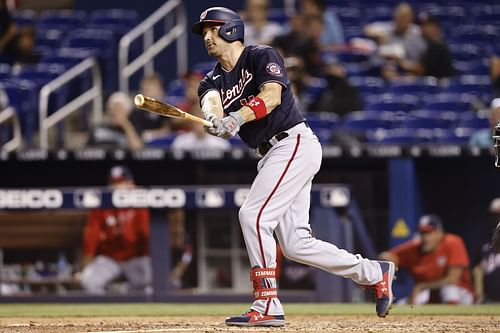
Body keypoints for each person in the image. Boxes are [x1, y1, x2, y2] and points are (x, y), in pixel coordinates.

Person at [191, 7, 395, 327]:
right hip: (271, 154)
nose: (206, 36)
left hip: (292, 143)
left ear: (231, 30)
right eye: (203, 31)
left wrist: (238, 117)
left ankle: (267, 300)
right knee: (297, 244)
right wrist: (216, 119)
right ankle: (373, 272)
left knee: (253, 216)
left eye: (212, 29)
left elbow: (271, 97)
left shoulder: (262, 55)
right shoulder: (211, 79)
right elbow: (210, 101)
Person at [78, 165, 152, 294]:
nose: (116, 187)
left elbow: (146, 236)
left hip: (135, 258)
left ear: (131, 184)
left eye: (121, 182)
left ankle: (123, 293)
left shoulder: (141, 203)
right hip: (109, 258)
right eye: (112, 183)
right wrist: (84, 268)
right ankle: (106, 310)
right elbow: (91, 237)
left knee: (152, 283)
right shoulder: (101, 204)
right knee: (88, 282)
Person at [379, 214, 474, 304]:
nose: (425, 237)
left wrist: (422, 286)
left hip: (461, 292)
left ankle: (456, 320)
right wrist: (388, 261)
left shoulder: (453, 242)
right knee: (401, 306)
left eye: (429, 233)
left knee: (449, 291)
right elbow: (387, 256)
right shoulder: (415, 247)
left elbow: (452, 279)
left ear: (440, 233)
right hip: (429, 293)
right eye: (422, 233)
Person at [472, 198, 500, 303]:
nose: (498, 219)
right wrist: (478, 294)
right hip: (489, 300)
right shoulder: (482, 242)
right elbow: (477, 270)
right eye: (495, 216)